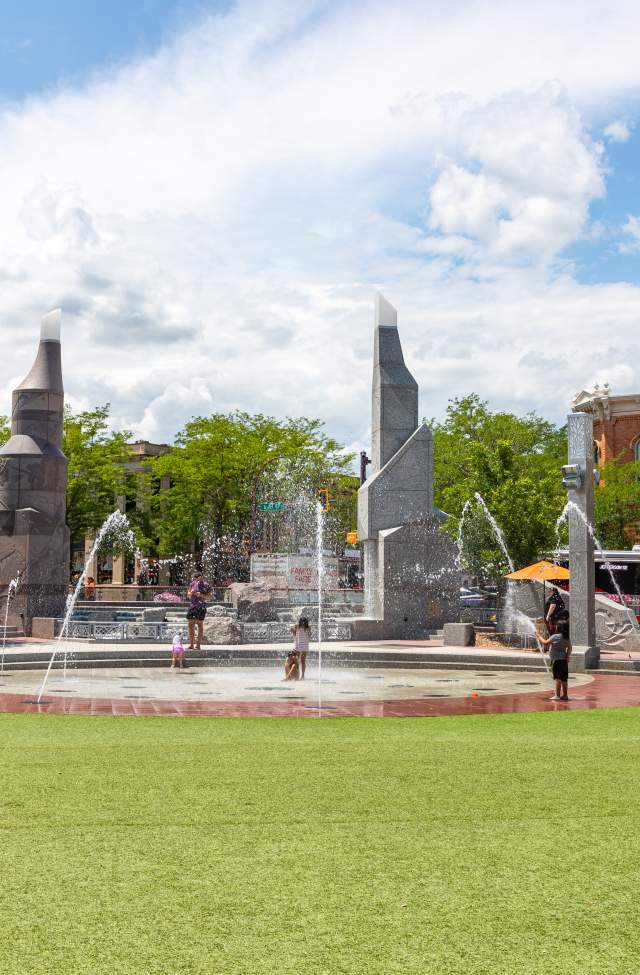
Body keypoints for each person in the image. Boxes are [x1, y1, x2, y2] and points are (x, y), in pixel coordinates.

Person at [540, 621, 572, 702]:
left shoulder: (555, 636)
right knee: (564, 679)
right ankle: (565, 695)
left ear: (559, 627)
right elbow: (570, 647)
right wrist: (567, 656)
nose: (556, 627)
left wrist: (538, 636)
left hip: (556, 661)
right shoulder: (566, 637)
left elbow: (545, 643)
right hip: (564, 661)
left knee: (558, 678)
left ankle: (557, 695)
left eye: (557, 626)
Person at [186, 571, 211, 651]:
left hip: (201, 607)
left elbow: (210, 597)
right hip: (192, 606)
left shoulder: (206, 585)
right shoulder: (192, 583)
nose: (196, 580)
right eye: (195, 579)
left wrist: (201, 595)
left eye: (198, 579)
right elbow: (188, 594)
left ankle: (198, 645)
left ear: (201, 577)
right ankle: (191, 645)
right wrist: (191, 593)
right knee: (190, 625)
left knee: (199, 625)